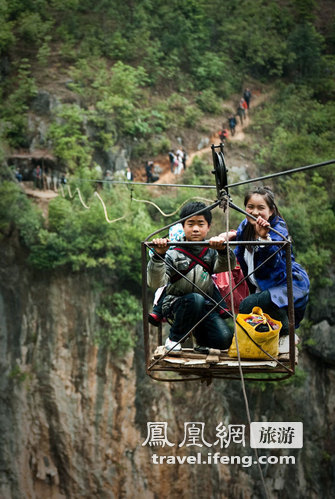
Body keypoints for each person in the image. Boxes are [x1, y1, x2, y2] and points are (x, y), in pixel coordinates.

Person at [219, 186, 310, 335]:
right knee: (257, 317)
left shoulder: (277, 231)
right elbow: (240, 254)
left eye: (261, 208)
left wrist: (263, 239)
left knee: (248, 305)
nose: (255, 212)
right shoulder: (246, 226)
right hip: (263, 285)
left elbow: (270, 263)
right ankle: (283, 333)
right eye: (250, 207)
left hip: (287, 282)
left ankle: (287, 332)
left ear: (271, 210)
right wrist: (229, 236)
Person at [147, 202, 236, 351]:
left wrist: (222, 250)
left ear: (208, 227)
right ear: (183, 227)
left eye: (201, 224)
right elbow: (156, 282)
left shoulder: (211, 252)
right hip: (176, 305)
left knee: (225, 338)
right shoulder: (172, 253)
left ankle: (201, 342)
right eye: (190, 224)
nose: (195, 229)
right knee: (195, 299)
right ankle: (174, 339)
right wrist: (158, 256)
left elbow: (227, 266)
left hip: (204, 307)